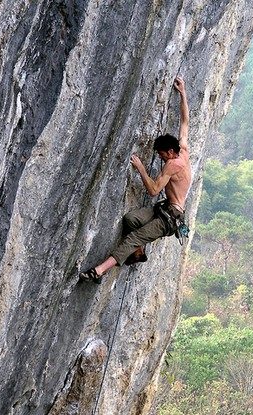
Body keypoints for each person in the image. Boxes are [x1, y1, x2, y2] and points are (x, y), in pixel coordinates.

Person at [79, 76, 191, 284]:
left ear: (169, 152)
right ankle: (138, 252)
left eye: (161, 154)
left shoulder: (173, 165)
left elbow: (153, 190)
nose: (159, 157)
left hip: (170, 218)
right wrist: (182, 93)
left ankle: (97, 272)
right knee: (131, 220)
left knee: (133, 238)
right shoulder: (183, 150)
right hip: (165, 208)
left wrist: (140, 168)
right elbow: (185, 121)